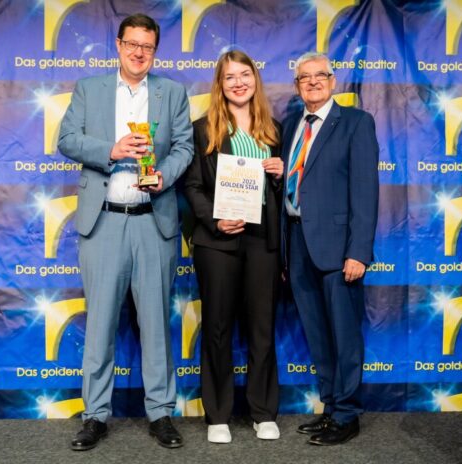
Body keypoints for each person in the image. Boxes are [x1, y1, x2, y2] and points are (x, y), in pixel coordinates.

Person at [58, 13, 193, 450]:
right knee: (99, 326)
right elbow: (67, 139)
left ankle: (161, 414)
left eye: (148, 46)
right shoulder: (89, 88)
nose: (139, 53)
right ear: (118, 45)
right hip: (104, 223)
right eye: (132, 44)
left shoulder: (172, 92)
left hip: (154, 222)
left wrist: (165, 176)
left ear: (156, 50)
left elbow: (185, 148)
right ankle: (95, 415)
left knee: (156, 324)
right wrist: (110, 151)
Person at [183, 50, 284, 444]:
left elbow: (288, 191)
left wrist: (279, 175)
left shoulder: (273, 130)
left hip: (262, 238)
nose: (239, 82)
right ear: (220, 85)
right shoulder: (202, 129)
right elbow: (191, 186)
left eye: (245, 74)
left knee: (262, 326)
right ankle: (218, 414)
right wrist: (214, 219)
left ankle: (263, 411)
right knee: (218, 327)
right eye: (230, 77)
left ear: (255, 80)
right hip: (218, 241)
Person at [282, 52, 378, 445]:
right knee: (318, 335)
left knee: (344, 334)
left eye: (320, 75)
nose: (313, 82)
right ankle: (329, 406)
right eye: (304, 77)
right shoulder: (291, 124)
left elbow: (366, 193)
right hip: (297, 243)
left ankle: (347, 413)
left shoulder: (356, 122)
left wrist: (359, 251)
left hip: (339, 250)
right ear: (297, 85)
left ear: (333, 80)